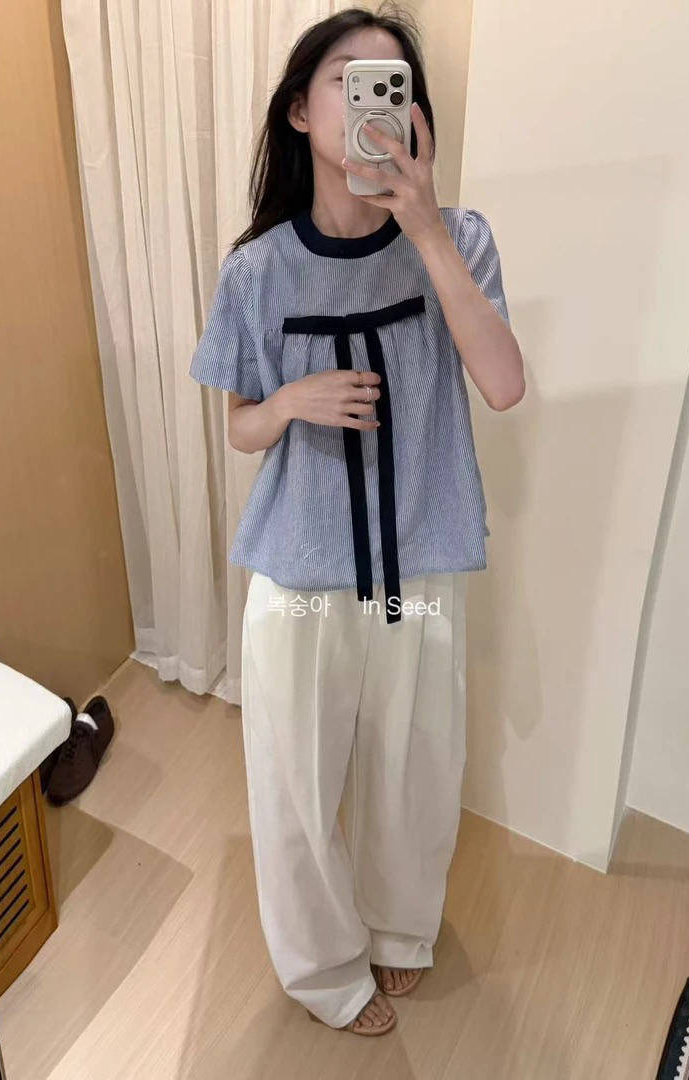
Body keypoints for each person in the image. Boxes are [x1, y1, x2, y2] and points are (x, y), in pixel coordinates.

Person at [190, 4, 524, 1038]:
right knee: (296, 788)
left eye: (393, 84)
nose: (373, 100)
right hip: (299, 577)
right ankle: (325, 970)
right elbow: (240, 427)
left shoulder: (461, 240)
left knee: (413, 772)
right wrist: (290, 402)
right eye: (349, 80)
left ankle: (399, 933)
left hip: (420, 561)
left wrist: (424, 227)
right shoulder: (255, 270)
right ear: (300, 110)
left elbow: (504, 383)